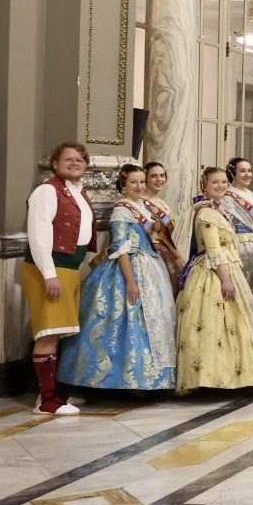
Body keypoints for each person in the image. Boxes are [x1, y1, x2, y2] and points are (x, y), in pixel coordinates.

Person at [63, 164, 177, 392]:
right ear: (123, 185)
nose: (139, 186)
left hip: (151, 266)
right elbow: (120, 248)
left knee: (151, 321)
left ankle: (152, 378)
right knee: (126, 322)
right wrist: (131, 281)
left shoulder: (144, 205)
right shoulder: (121, 210)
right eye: (134, 182)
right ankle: (126, 379)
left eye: (142, 182)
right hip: (128, 269)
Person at [176, 167, 253, 392]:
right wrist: (225, 279)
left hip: (230, 266)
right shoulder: (206, 212)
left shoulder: (219, 210)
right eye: (215, 183)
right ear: (205, 186)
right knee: (214, 325)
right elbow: (213, 249)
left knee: (236, 324)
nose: (220, 186)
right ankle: (212, 378)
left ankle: (237, 375)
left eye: (223, 182)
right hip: (215, 272)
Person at [21, 142, 98, 414]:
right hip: (51, 269)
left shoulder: (77, 192)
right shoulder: (46, 191)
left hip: (68, 269)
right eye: (68, 159)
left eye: (80, 160)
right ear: (55, 163)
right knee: (49, 333)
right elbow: (39, 235)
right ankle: (48, 401)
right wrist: (49, 275)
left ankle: (50, 393)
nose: (75, 163)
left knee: (59, 332)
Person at [221, 157, 253, 279]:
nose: (248, 175)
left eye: (249, 170)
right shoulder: (227, 198)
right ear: (233, 173)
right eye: (242, 171)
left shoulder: (251, 195)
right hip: (239, 247)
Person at [142, 162, 183, 292]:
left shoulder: (162, 204)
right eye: (154, 176)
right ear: (146, 178)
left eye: (162, 175)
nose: (159, 179)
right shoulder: (141, 203)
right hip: (151, 255)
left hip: (166, 253)